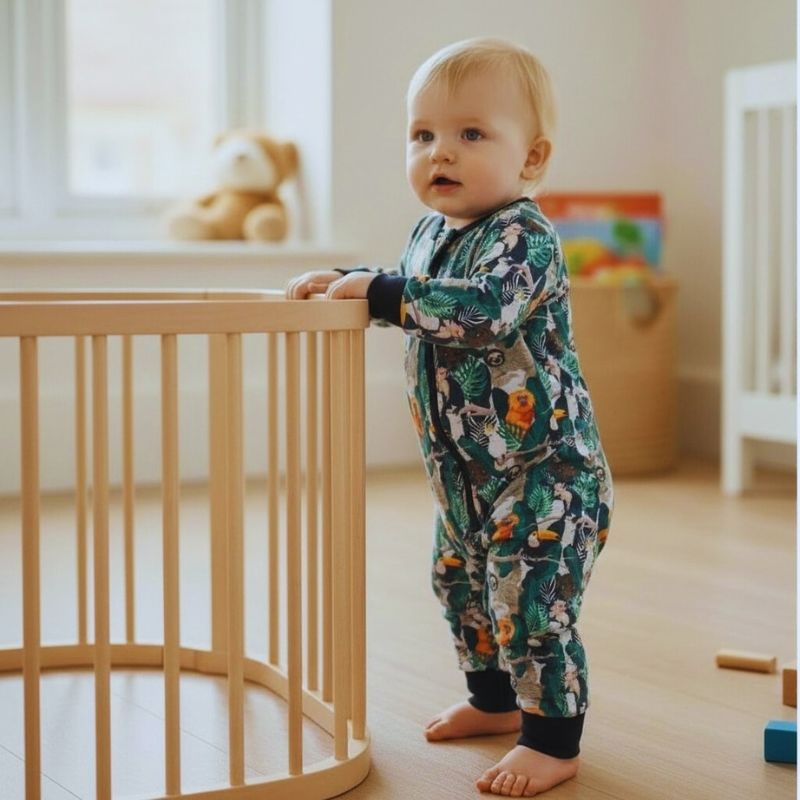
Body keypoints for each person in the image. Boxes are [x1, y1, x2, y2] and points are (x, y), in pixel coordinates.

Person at [286, 37, 613, 798]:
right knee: (459, 583)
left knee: (528, 597)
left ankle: (552, 740)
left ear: (531, 158)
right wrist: (351, 281)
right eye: (423, 134)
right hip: (465, 476)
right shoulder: (431, 233)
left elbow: (481, 310)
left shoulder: (525, 236)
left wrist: (382, 294)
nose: (441, 151)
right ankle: (494, 700)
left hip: (545, 471)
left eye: (471, 133)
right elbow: (409, 288)